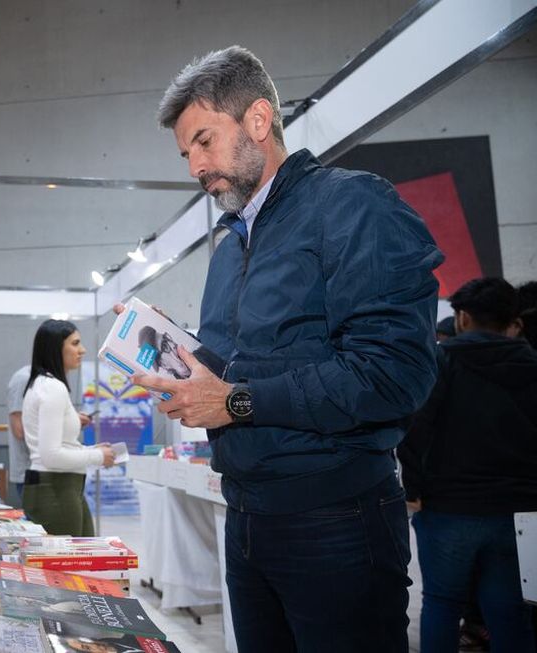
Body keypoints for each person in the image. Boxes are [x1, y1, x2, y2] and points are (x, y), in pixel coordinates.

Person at [134, 45, 443, 651]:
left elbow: (394, 373)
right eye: (186, 154)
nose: (195, 167)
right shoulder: (230, 247)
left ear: (257, 119)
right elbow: (238, 366)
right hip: (246, 520)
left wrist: (235, 402)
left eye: (204, 142)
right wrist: (180, 358)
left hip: (336, 519)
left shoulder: (353, 205)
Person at [398, 277, 537, 652]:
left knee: (442, 605)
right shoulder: (532, 365)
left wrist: (413, 488)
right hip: (518, 513)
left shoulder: (442, 360)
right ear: (514, 322)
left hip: (448, 509)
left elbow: (414, 429)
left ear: (461, 318)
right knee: (511, 612)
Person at [22, 319, 115, 536]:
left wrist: (90, 450)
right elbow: (51, 456)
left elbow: (59, 446)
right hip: (57, 489)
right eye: (75, 343)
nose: (82, 350)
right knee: (70, 556)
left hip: (60, 487)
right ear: (55, 348)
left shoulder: (43, 384)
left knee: (83, 550)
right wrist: (98, 456)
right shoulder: (53, 388)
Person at [6, 364, 32, 504]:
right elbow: (19, 430)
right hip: (30, 473)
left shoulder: (49, 380)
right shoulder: (23, 379)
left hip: (50, 470)